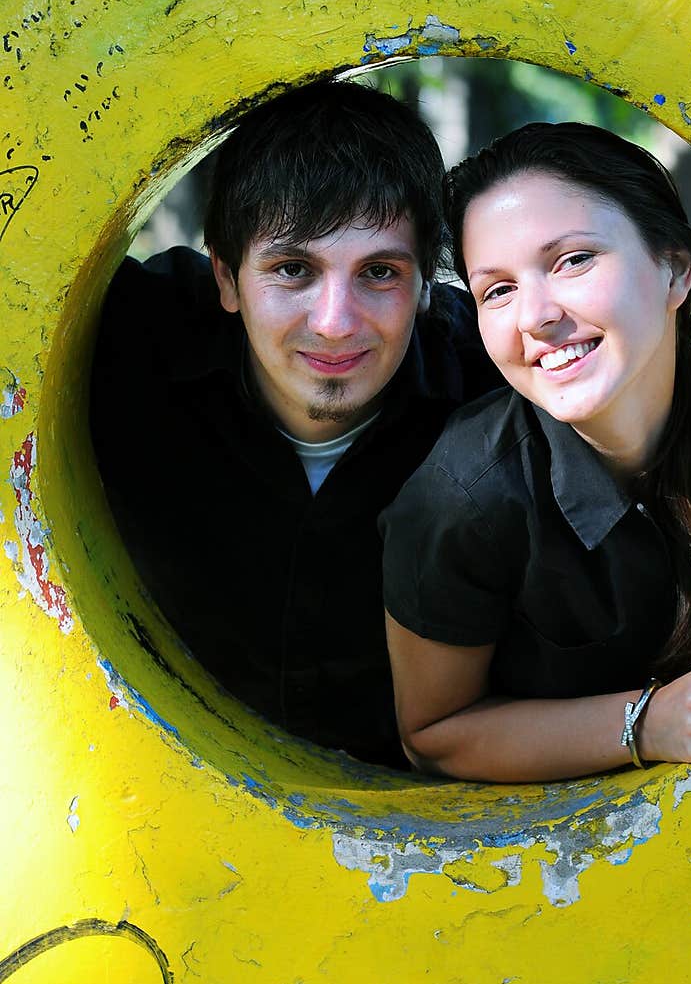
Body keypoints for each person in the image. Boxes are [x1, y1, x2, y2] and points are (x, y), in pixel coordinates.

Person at [379, 121, 691, 783]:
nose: (535, 314)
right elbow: (434, 733)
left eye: (573, 259)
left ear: (675, 268)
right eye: (497, 289)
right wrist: (650, 721)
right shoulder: (461, 497)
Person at [89, 78, 500, 768]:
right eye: (291, 268)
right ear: (226, 278)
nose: (335, 322)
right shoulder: (126, 342)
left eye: (378, 271)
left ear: (428, 279)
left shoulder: (494, 389)